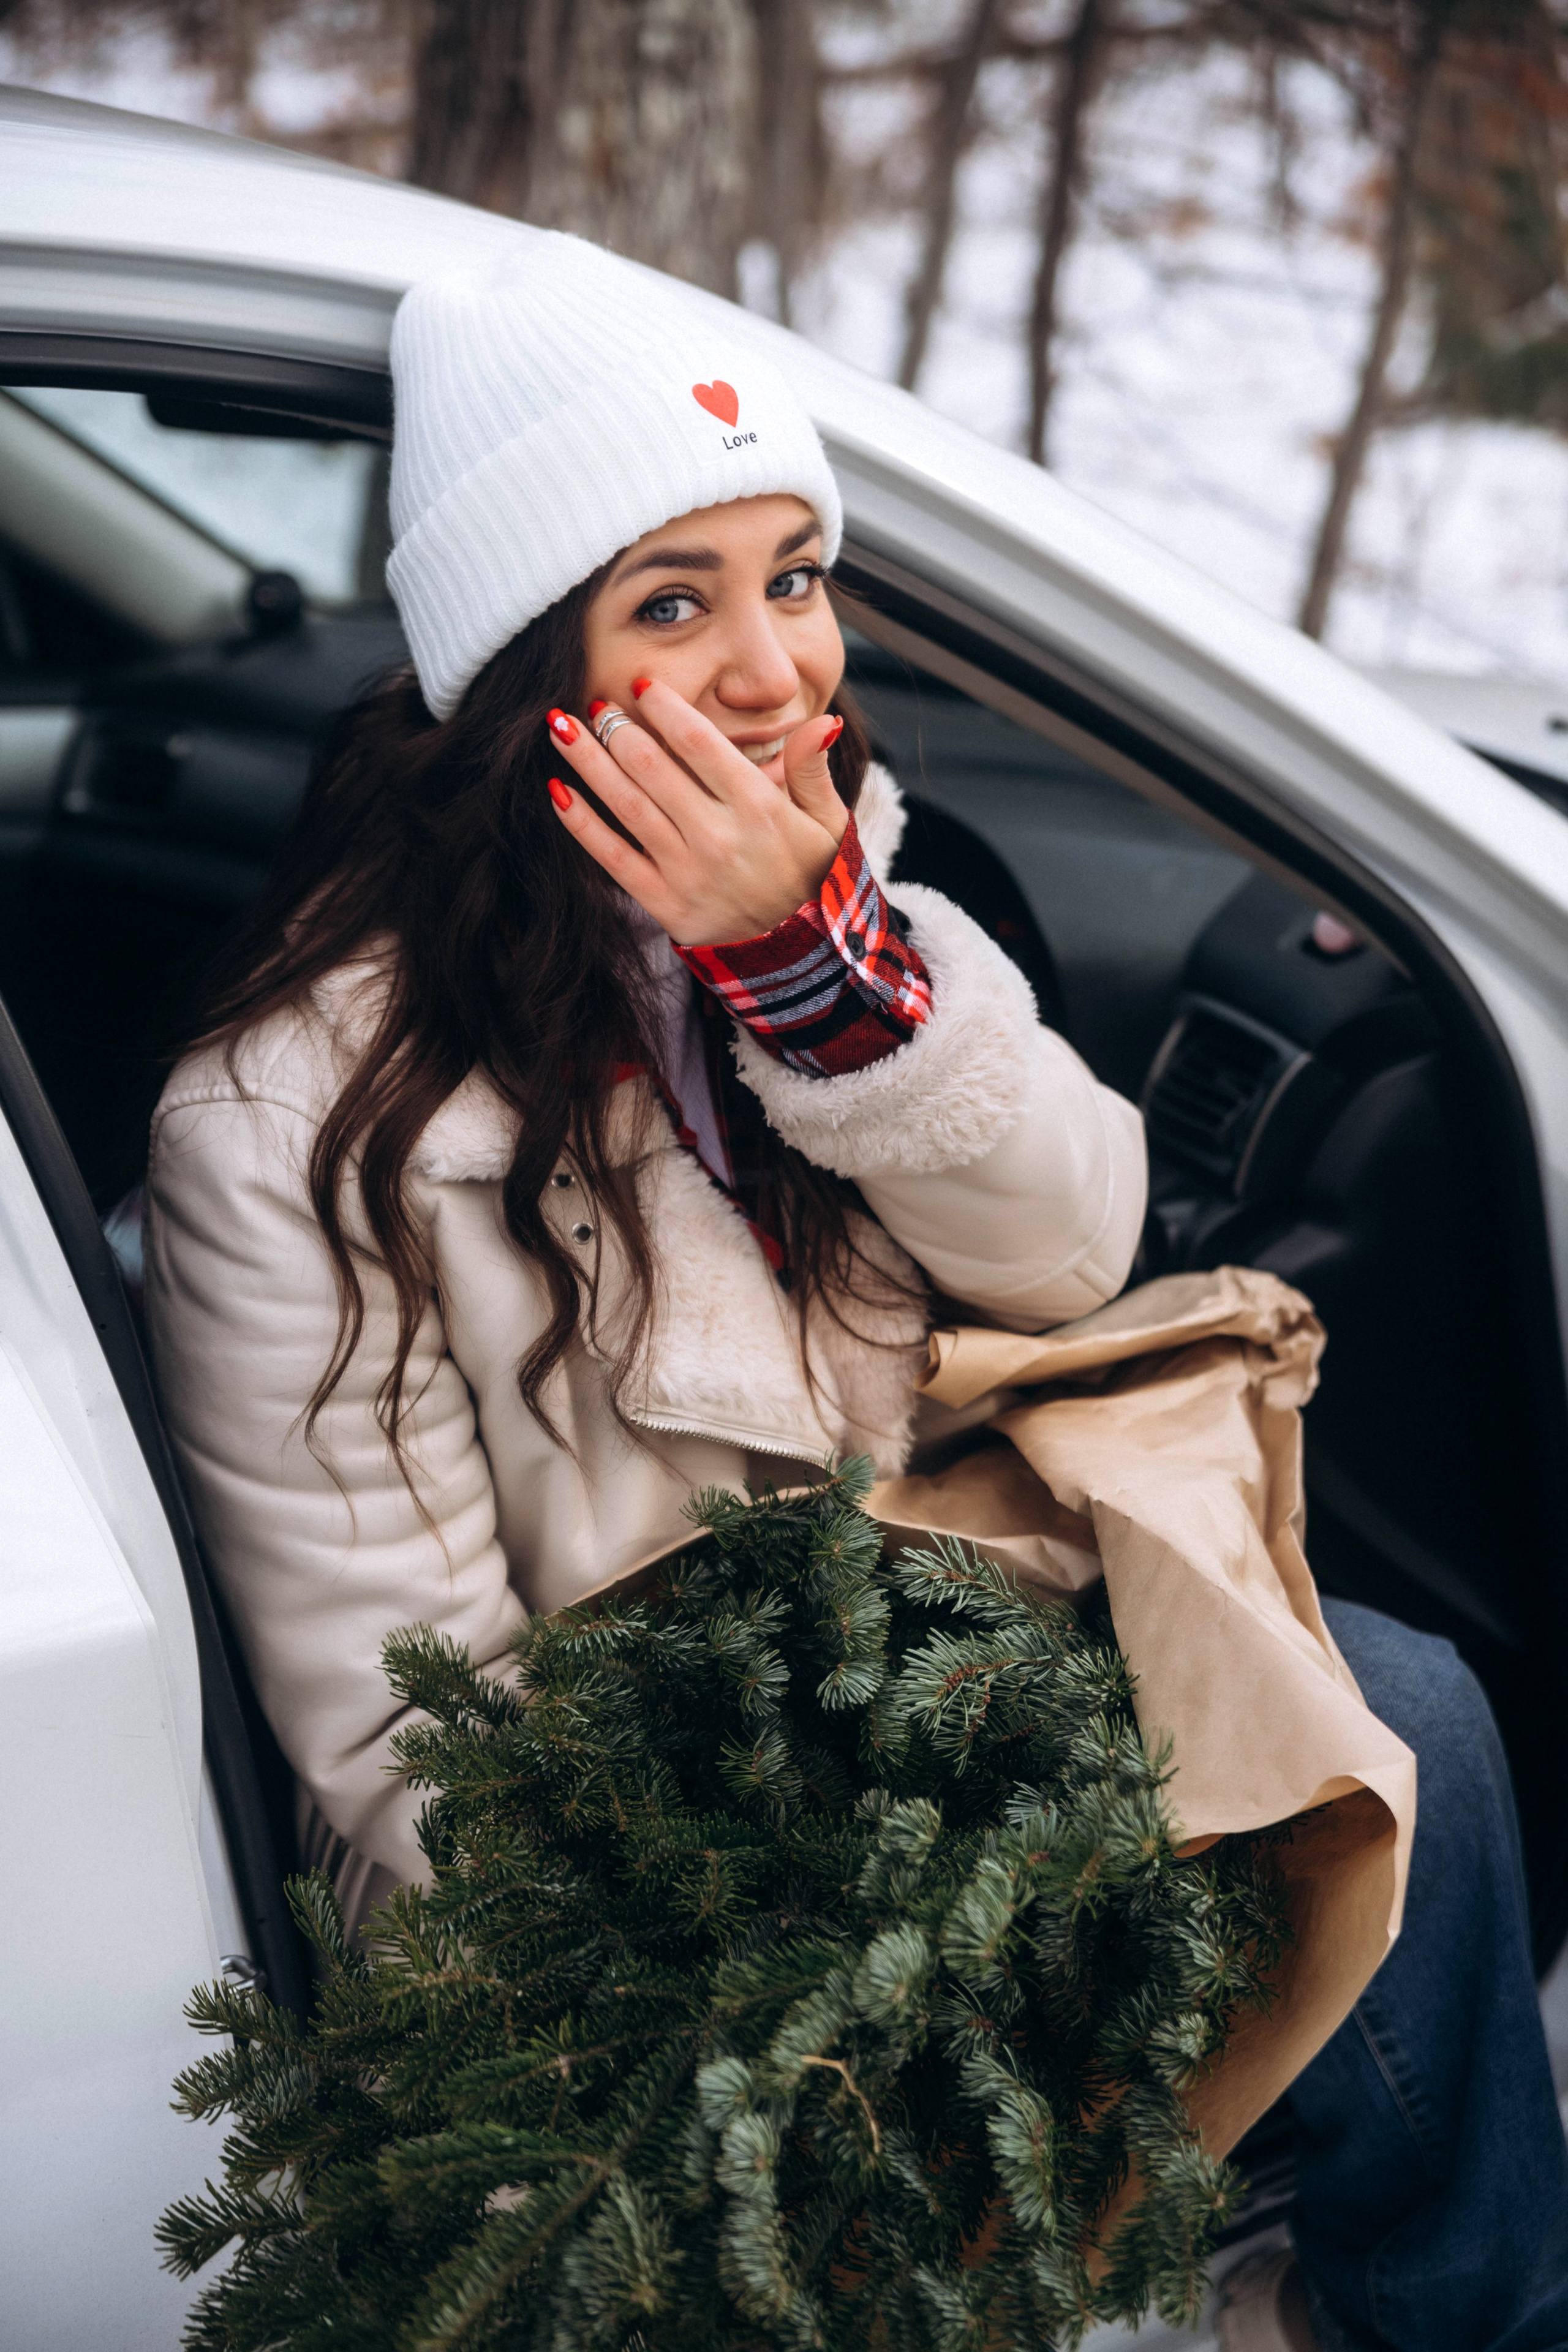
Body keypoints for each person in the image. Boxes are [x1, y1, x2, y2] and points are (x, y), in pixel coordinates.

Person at [143, 240, 1568, 2352]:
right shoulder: (294, 1117)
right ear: (524, 669)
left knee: (1411, 1709)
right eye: (671, 604)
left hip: (947, 1661)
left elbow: (1077, 1248)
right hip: (646, 1851)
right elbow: (402, 1735)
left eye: (794, 575)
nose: (768, 674)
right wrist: (878, 1847)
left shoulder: (846, 904)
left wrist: (814, 984)